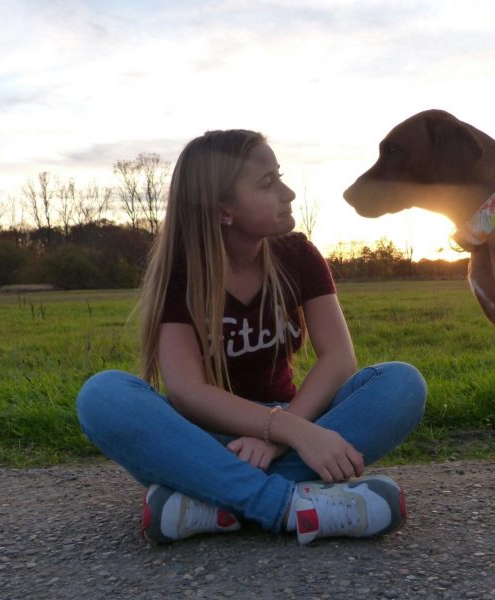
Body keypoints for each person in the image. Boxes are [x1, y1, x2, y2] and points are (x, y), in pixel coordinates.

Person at [76, 129, 427, 545]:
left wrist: (288, 432)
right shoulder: (182, 276)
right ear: (223, 209)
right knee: (103, 395)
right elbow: (187, 392)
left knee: (401, 384)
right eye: (267, 183)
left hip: (298, 419)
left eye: (280, 176)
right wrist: (288, 433)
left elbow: (338, 358)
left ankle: (209, 500)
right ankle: (288, 506)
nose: (289, 192)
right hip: (207, 439)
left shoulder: (297, 254)